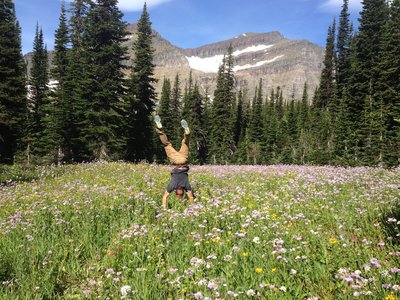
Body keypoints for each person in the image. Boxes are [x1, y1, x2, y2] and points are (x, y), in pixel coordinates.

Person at [154, 115, 194, 208]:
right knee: (166, 144)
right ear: (175, 191)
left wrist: (192, 206)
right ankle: (160, 129)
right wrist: (165, 208)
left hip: (183, 160)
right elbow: (165, 197)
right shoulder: (172, 186)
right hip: (175, 160)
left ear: (183, 191)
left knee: (186, 143)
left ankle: (187, 134)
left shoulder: (186, 186)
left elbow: (191, 198)